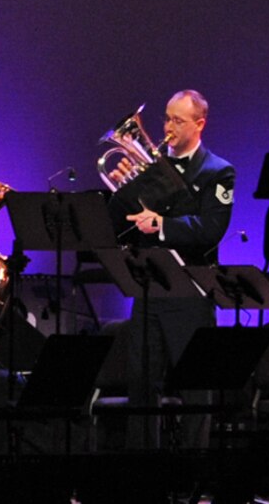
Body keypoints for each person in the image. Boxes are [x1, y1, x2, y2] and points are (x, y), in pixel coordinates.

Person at [104, 91, 235, 431]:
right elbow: (117, 226)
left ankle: (194, 476)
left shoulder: (218, 171)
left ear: (199, 124)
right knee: (141, 386)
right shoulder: (146, 169)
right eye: (166, 118)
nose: (168, 127)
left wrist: (162, 224)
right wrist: (123, 189)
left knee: (196, 390)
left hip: (191, 291)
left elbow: (211, 229)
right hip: (149, 288)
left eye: (178, 120)